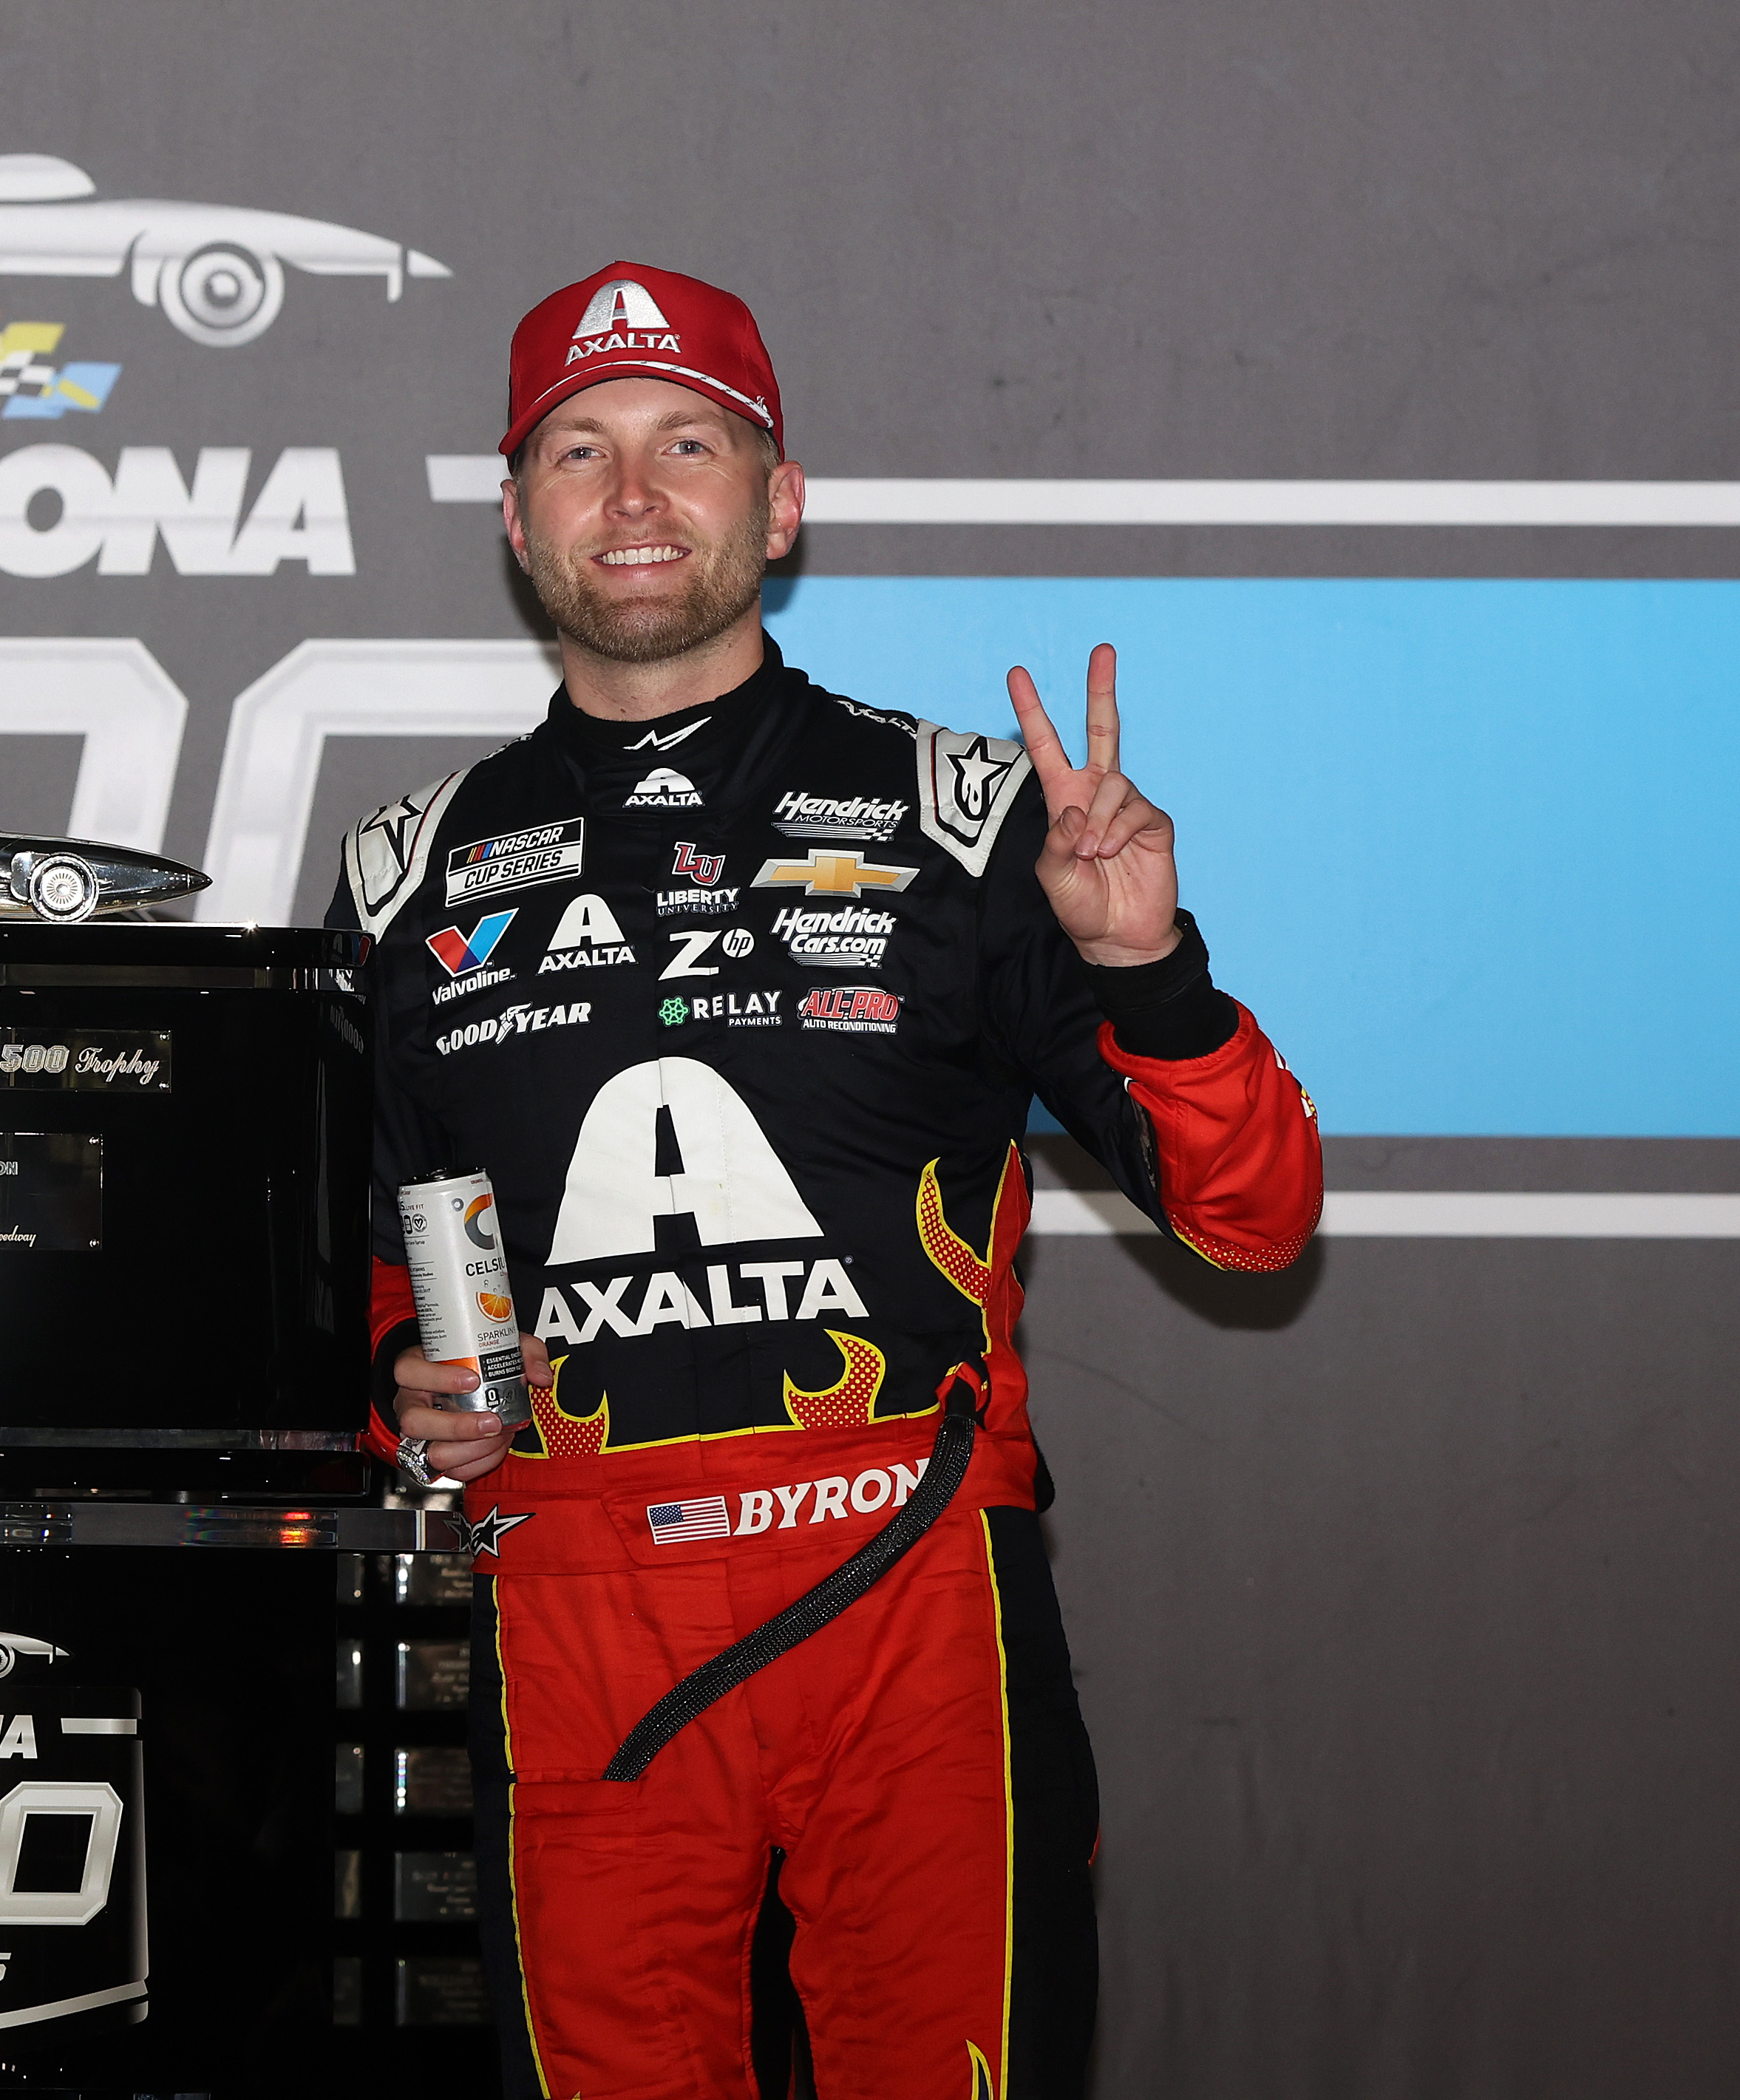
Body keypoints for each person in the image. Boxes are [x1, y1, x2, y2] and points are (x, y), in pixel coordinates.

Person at [330, 262, 1323, 2099]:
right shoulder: (410, 873)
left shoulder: (965, 819)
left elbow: (1250, 1218)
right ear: (517, 519)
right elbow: (404, 1254)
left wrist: (1148, 969)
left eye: (689, 444)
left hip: (910, 1589)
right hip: (582, 1611)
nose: (635, 497)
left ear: (778, 504)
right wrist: (414, 1393)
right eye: (581, 451)